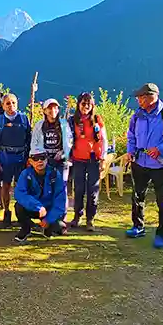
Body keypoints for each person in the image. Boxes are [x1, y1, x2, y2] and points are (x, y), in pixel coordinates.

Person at [125, 83, 163, 248]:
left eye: (141, 97)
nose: (138, 100)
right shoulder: (137, 116)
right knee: (137, 196)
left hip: (161, 166)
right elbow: (131, 135)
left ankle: (161, 235)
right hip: (139, 163)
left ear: (151, 97)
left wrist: (161, 149)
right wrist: (131, 151)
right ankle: (138, 227)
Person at [69, 92, 108, 232]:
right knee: (78, 189)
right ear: (78, 104)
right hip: (78, 159)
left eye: (89, 104)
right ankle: (77, 216)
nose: (86, 106)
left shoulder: (97, 119)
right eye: (83, 103)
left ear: (93, 106)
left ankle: (90, 219)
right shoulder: (72, 120)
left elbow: (104, 140)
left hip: (94, 159)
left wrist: (103, 159)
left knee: (93, 190)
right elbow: (68, 139)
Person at [0, 93, 32, 227]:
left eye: (13, 102)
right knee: (5, 186)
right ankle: (6, 212)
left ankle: (21, 214)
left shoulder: (24, 119)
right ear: (2, 106)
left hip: (21, 158)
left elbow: (29, 140)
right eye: (8, 103)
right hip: (5, 158)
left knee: (21, 187)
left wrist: (28, 160)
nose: (11, 106)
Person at [14, 147, 68, 244]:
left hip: (49, 210)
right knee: (18, 206)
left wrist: (49, 219)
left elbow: (60, 200)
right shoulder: (25, 174)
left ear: (47, 159)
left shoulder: (55, 175)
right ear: (30, 161)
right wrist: (38, 206)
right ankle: (26, 229)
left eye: (42, 157)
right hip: (34, 208)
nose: (39, 161)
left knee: (60, 228)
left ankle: (46, 228)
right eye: (35, 158)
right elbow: (20, 194)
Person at [31, 98, 72, 185]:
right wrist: (41, 156)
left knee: (61, 187)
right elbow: (34, 143)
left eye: (55, 108)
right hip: (44, 161)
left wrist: (63, 153)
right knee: (45, 186)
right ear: (44, 111)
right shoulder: (39, 125)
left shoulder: (63, 124)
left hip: (61, 161)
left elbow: (69, 143)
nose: (53, 110)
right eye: (50, 108)